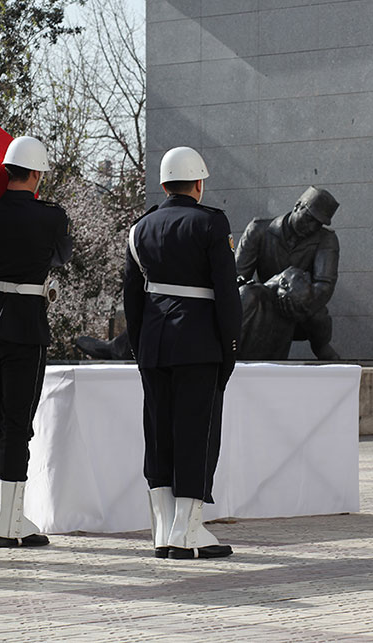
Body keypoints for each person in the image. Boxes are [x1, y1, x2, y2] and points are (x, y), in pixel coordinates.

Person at [123, 146, 241, 560]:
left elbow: (131, 299)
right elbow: (226, 294)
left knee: (159, 436)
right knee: (197, 435)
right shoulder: (211, 223)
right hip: (198, 344)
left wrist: (140, 347)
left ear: (163, 183)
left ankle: (163, 531)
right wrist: (230, 345)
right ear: (199, 183)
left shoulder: (141, 229)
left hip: (154, 345)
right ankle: (187, 531)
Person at [0, 136, 72, 548]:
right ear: (36, 175)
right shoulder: (51, 217)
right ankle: (9, 522)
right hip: (24, 325)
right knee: (16, 422)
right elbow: (61, 257)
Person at [234, 186, 340, 360]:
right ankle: (230, 350)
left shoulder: (326, 239)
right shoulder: (259, 230)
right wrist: (271, 286)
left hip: (301, 303)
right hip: (264, 297)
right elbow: (237, 276)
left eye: (318, 223)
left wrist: (298, 298)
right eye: (309, 218)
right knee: (244, 296)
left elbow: (324, 286)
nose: (312, 226)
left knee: (319, 317)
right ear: (297, 206)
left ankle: (321, 347)